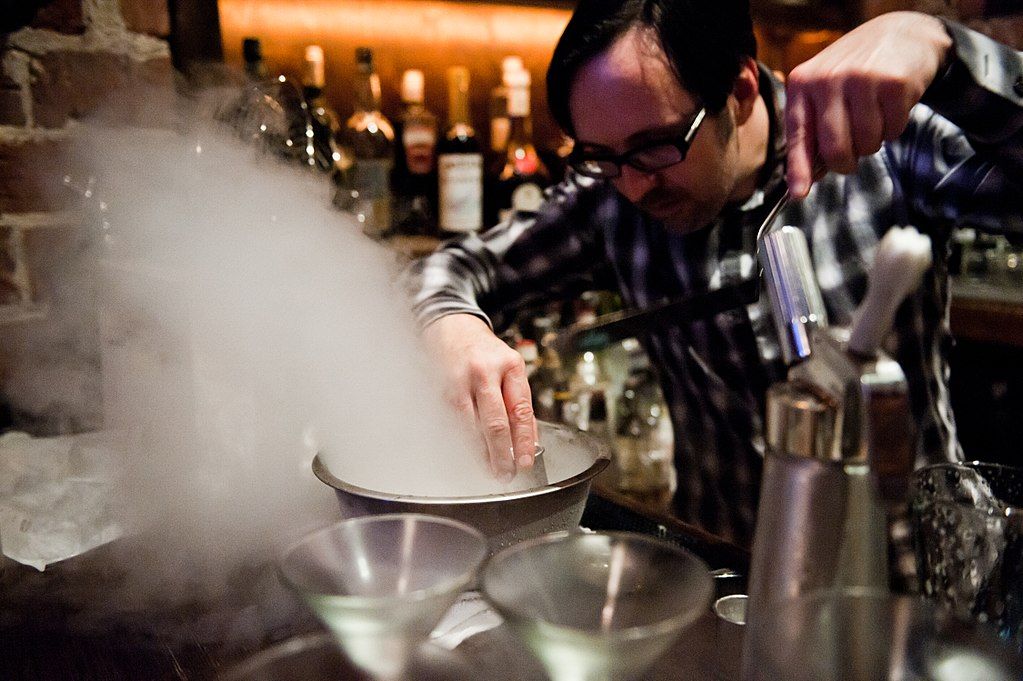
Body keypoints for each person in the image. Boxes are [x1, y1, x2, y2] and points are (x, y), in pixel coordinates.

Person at [406, 0, 1023, 545]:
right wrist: (451, 325)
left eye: (657, 144)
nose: (636, 183)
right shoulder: (614, 194)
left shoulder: (878, 136)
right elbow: (452, 267)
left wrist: (940, 48)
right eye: (603, 157)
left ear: (742, 88)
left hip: (916, 571)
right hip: (734, 575)